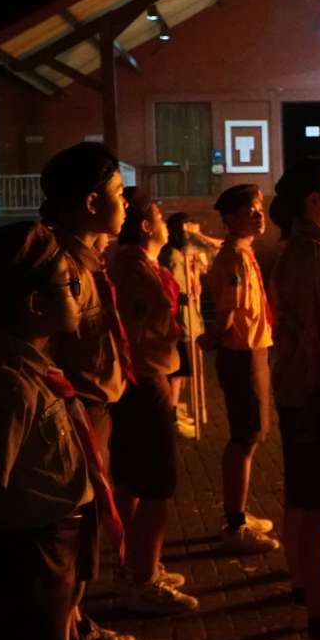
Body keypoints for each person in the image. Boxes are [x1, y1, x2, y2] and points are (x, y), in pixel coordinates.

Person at [0, 221, 120, 640]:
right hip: (28, 559)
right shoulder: (7, 385)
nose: (80, 292)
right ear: (34, 304)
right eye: (69, 283)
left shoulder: (39, 370)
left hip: (57, 547)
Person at [38, 142, 138, 640]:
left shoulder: (87, 260)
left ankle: (77, 627)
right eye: (120, 194)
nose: (130, 204)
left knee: (85, 534)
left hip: (95, 412)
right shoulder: (61, 268)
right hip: (75, 416)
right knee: (73, 539)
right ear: (93, 202)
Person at [270, 159, 320, 640]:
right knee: (318, 505)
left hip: (296, 387)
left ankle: (303, 585)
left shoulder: (297, 251)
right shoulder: (315, 255)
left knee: (302, 497)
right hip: (313, 391)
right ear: (313, 203)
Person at [108, 191, 198, 614]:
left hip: (132, 381)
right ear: (146, 226)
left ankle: (133, 566)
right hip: (145, 378)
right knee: (158, 485)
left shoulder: (126, 265)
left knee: (129, 480)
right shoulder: (137, 271)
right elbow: (145, 329)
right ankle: (143, 577)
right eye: (159, 216)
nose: (166, 223)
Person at [200, 184, 282, 554]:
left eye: (260, 209)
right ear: (230, 218)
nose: (258, 215)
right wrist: (211, 339)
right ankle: (235, 521)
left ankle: (240, 512)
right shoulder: (232, 258)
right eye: (251, 210)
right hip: (242, 354)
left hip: (255, 351)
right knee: (245, 435)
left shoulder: (243, 254)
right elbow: (227, 311)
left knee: (254, 433)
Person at [160, 213, 210, 438]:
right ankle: (170, 414)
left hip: (189, 320)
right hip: (182, 321)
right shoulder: (172, 257)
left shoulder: (182, 255)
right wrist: (185, 295)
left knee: (181, 371)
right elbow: (172, 289)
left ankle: (174, 409)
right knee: (179, 371)